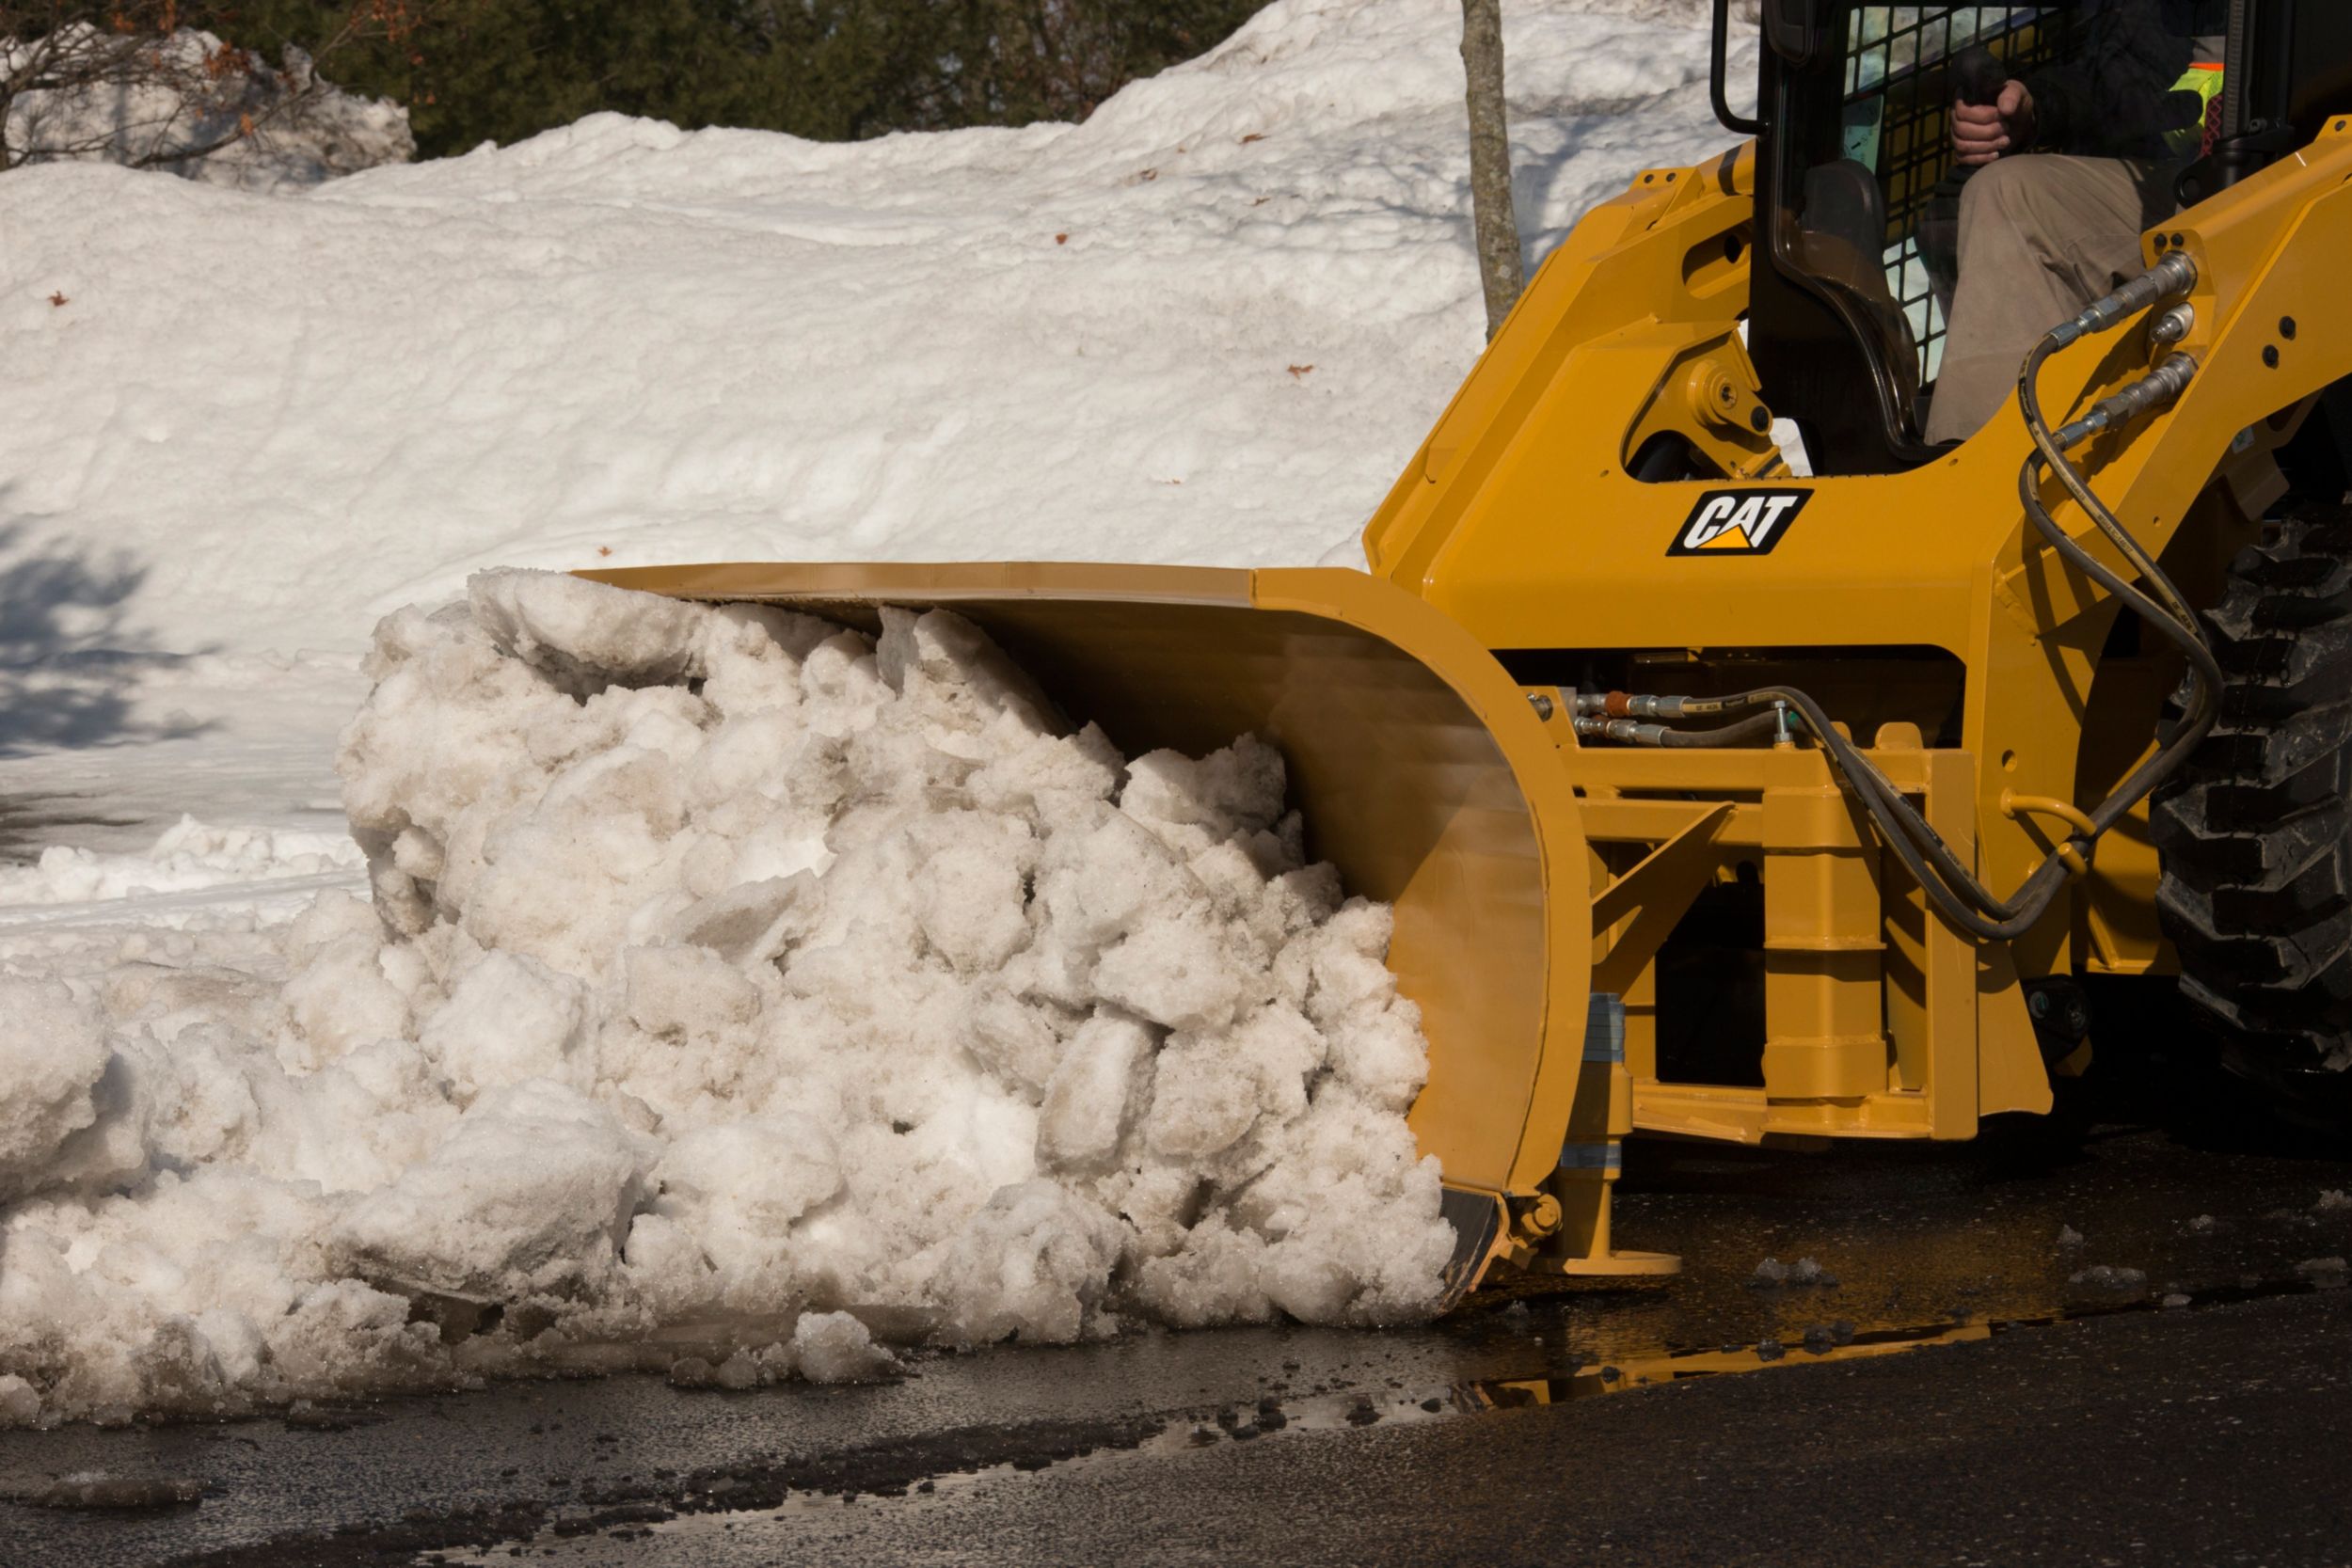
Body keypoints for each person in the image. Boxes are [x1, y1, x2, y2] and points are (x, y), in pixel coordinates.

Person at [1924, 0, 2230, 445]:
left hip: (2303, 175)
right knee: (2006, 192)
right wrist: (2035, 109)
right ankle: (1989, 465)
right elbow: (2121, 79)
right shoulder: (2163, 19)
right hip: (2184, 180)